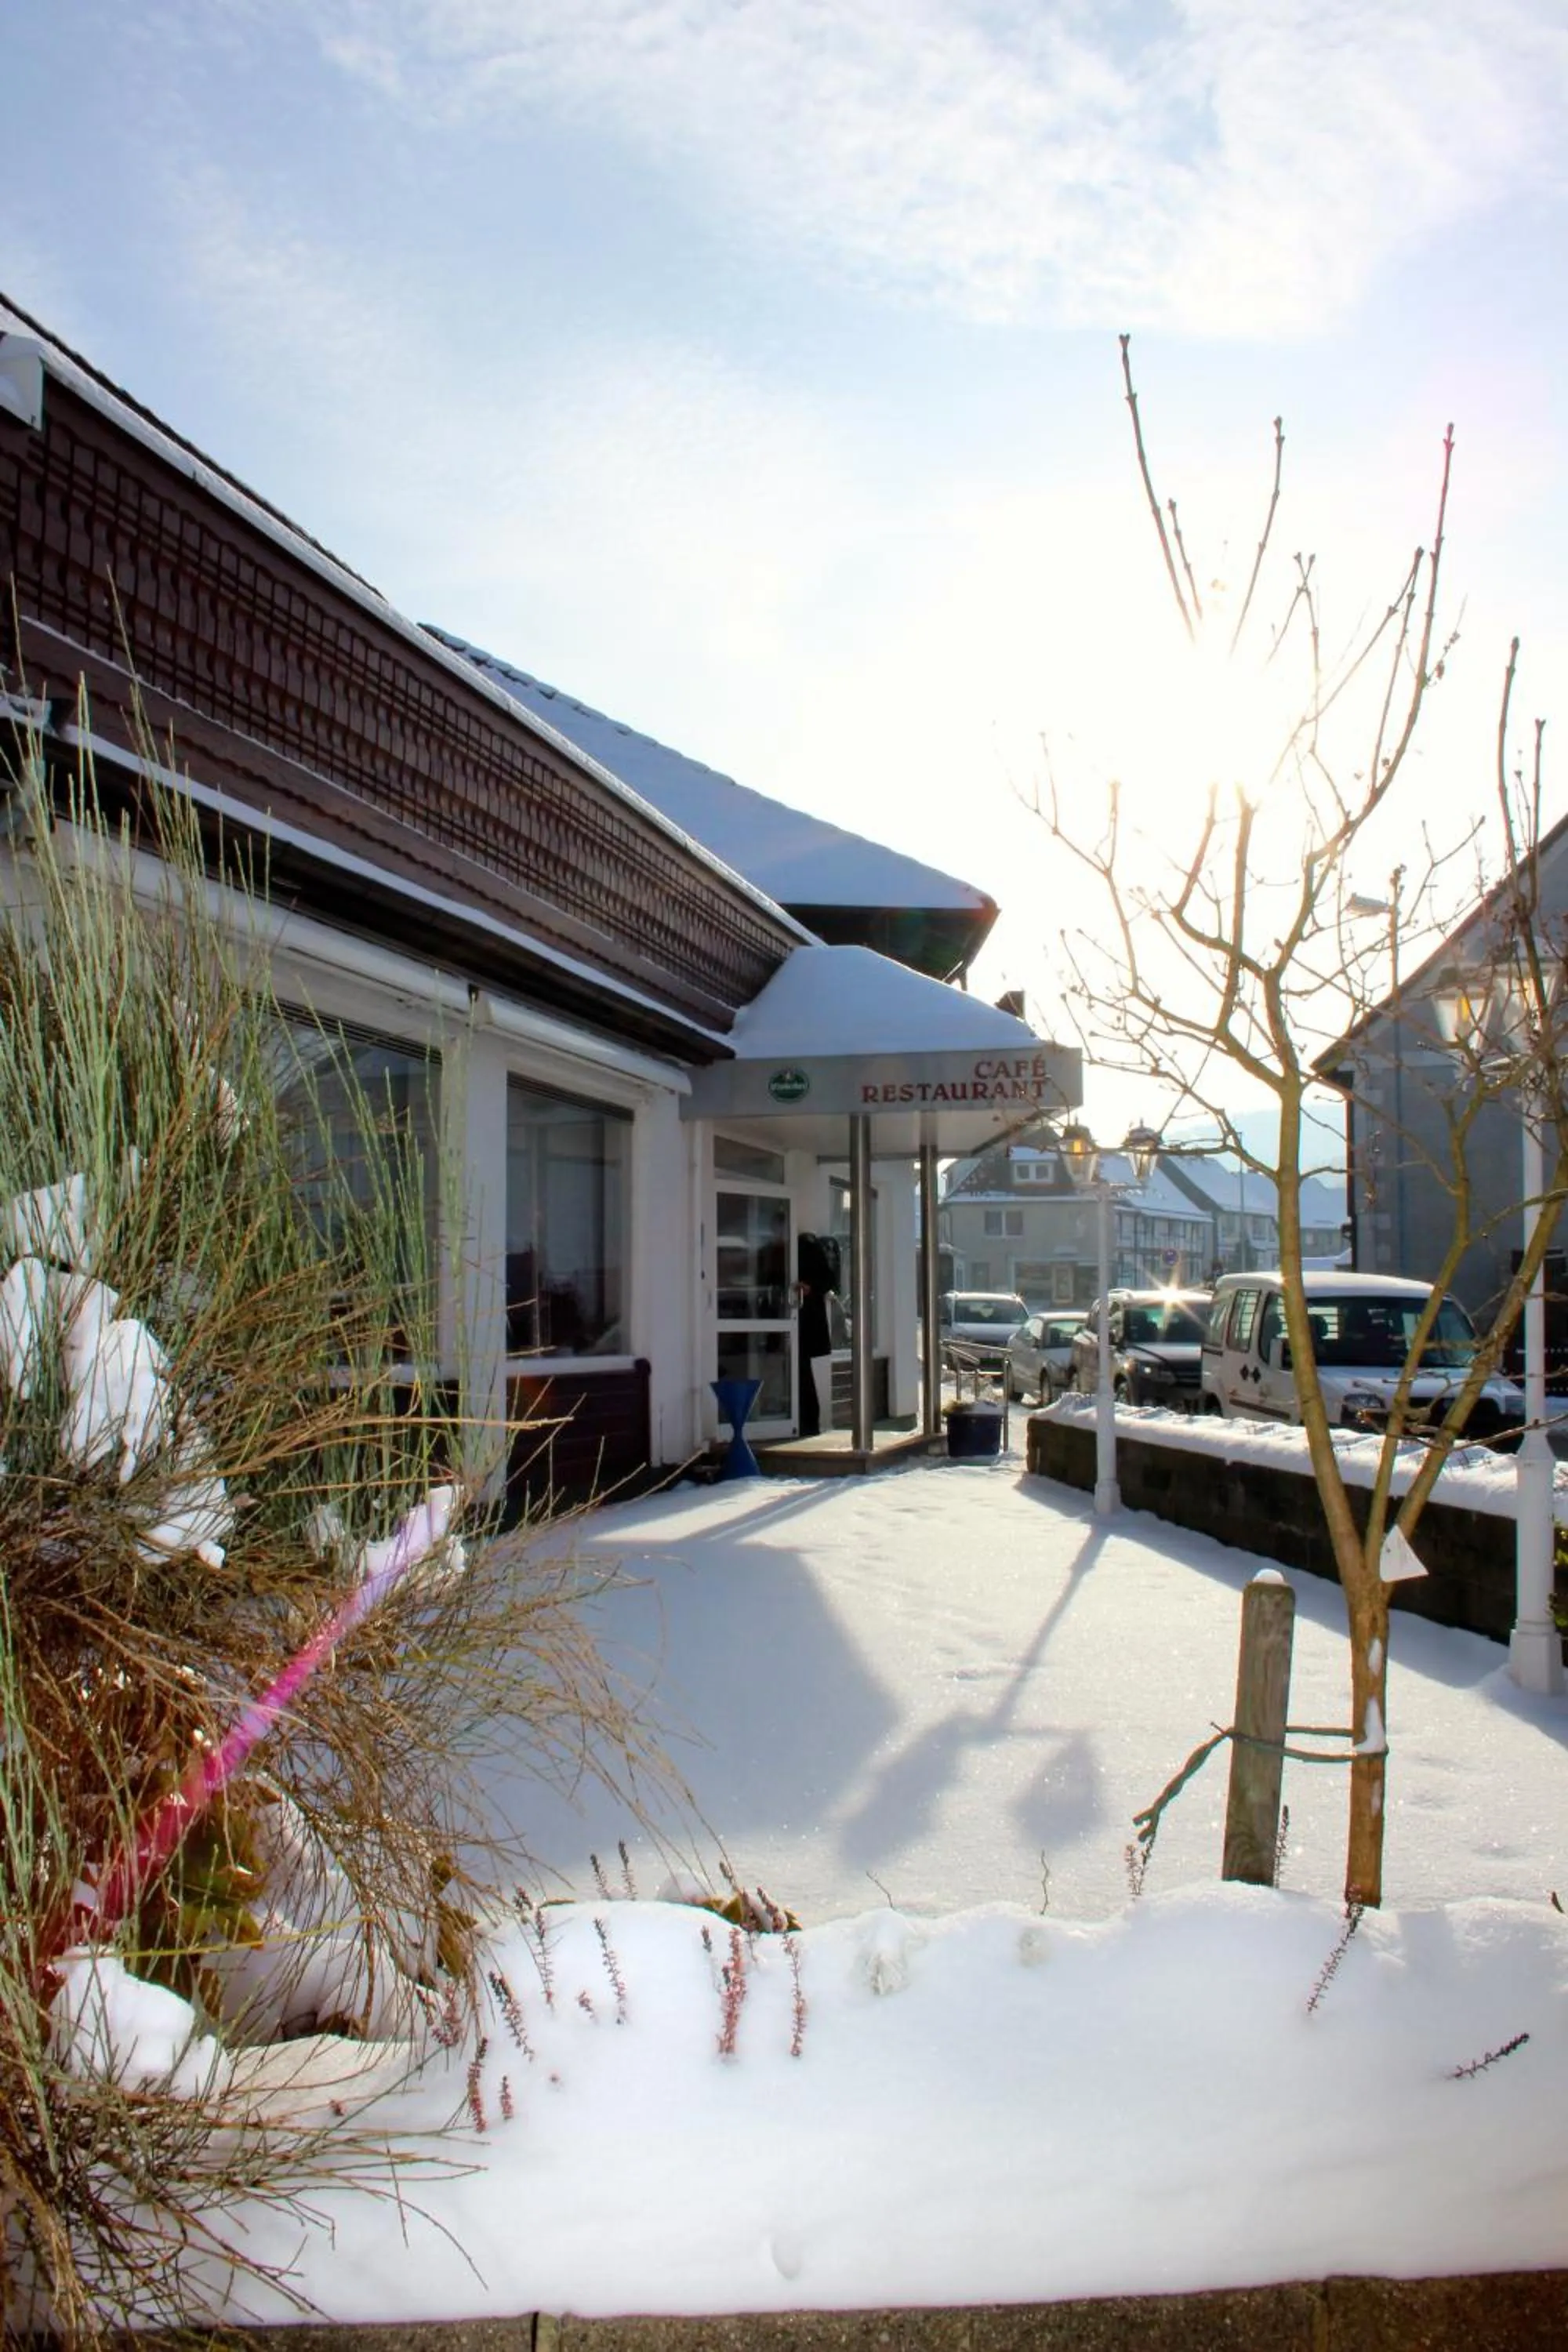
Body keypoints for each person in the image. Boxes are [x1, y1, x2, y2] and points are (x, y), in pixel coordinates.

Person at [796, 1232, 838, 1436]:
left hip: (804, 1324)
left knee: (802, 1373)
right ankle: (807, 1422)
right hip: (805, 1325)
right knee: (802, 1373)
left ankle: (807, 1422)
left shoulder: (806, 1250)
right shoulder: (811, 1251)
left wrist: (809, 1289)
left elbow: (826, 1281)